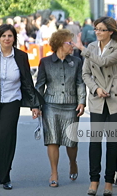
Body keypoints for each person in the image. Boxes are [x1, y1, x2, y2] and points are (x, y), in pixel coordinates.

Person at [0, 24, 44, 190]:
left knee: (7, 137)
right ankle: (3, 163)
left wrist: (34, 104)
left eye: (10, 36)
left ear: (14, 38)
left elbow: (27, 81)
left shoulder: (20, 56)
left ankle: (5, 176)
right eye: (3, 36)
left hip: (12, 102)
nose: (7, 39)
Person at [73, 16, 117, 196]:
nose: (98, 33)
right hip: (98, 98)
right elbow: (85, 73)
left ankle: (109, 182)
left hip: (116, 96)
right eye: (96, 29)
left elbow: (104, 62)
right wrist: (95, 89)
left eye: (101, 29)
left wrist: (82, 49)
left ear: (111, 31)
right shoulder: (92, 47)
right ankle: (94, 180)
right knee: (95, 141)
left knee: (112, 141)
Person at [34, 29, 86, 187]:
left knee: (71, 141)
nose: (73, 46)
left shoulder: (76, 62)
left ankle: (72, 162)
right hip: (50, 105)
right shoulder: (45, 62)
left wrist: (82, 101)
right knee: (52, 140)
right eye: (70, 43)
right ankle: (54, 172)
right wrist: (36, 106)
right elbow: (40, 85)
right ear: (59, 44)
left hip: (71, 105)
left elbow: (80, 83)